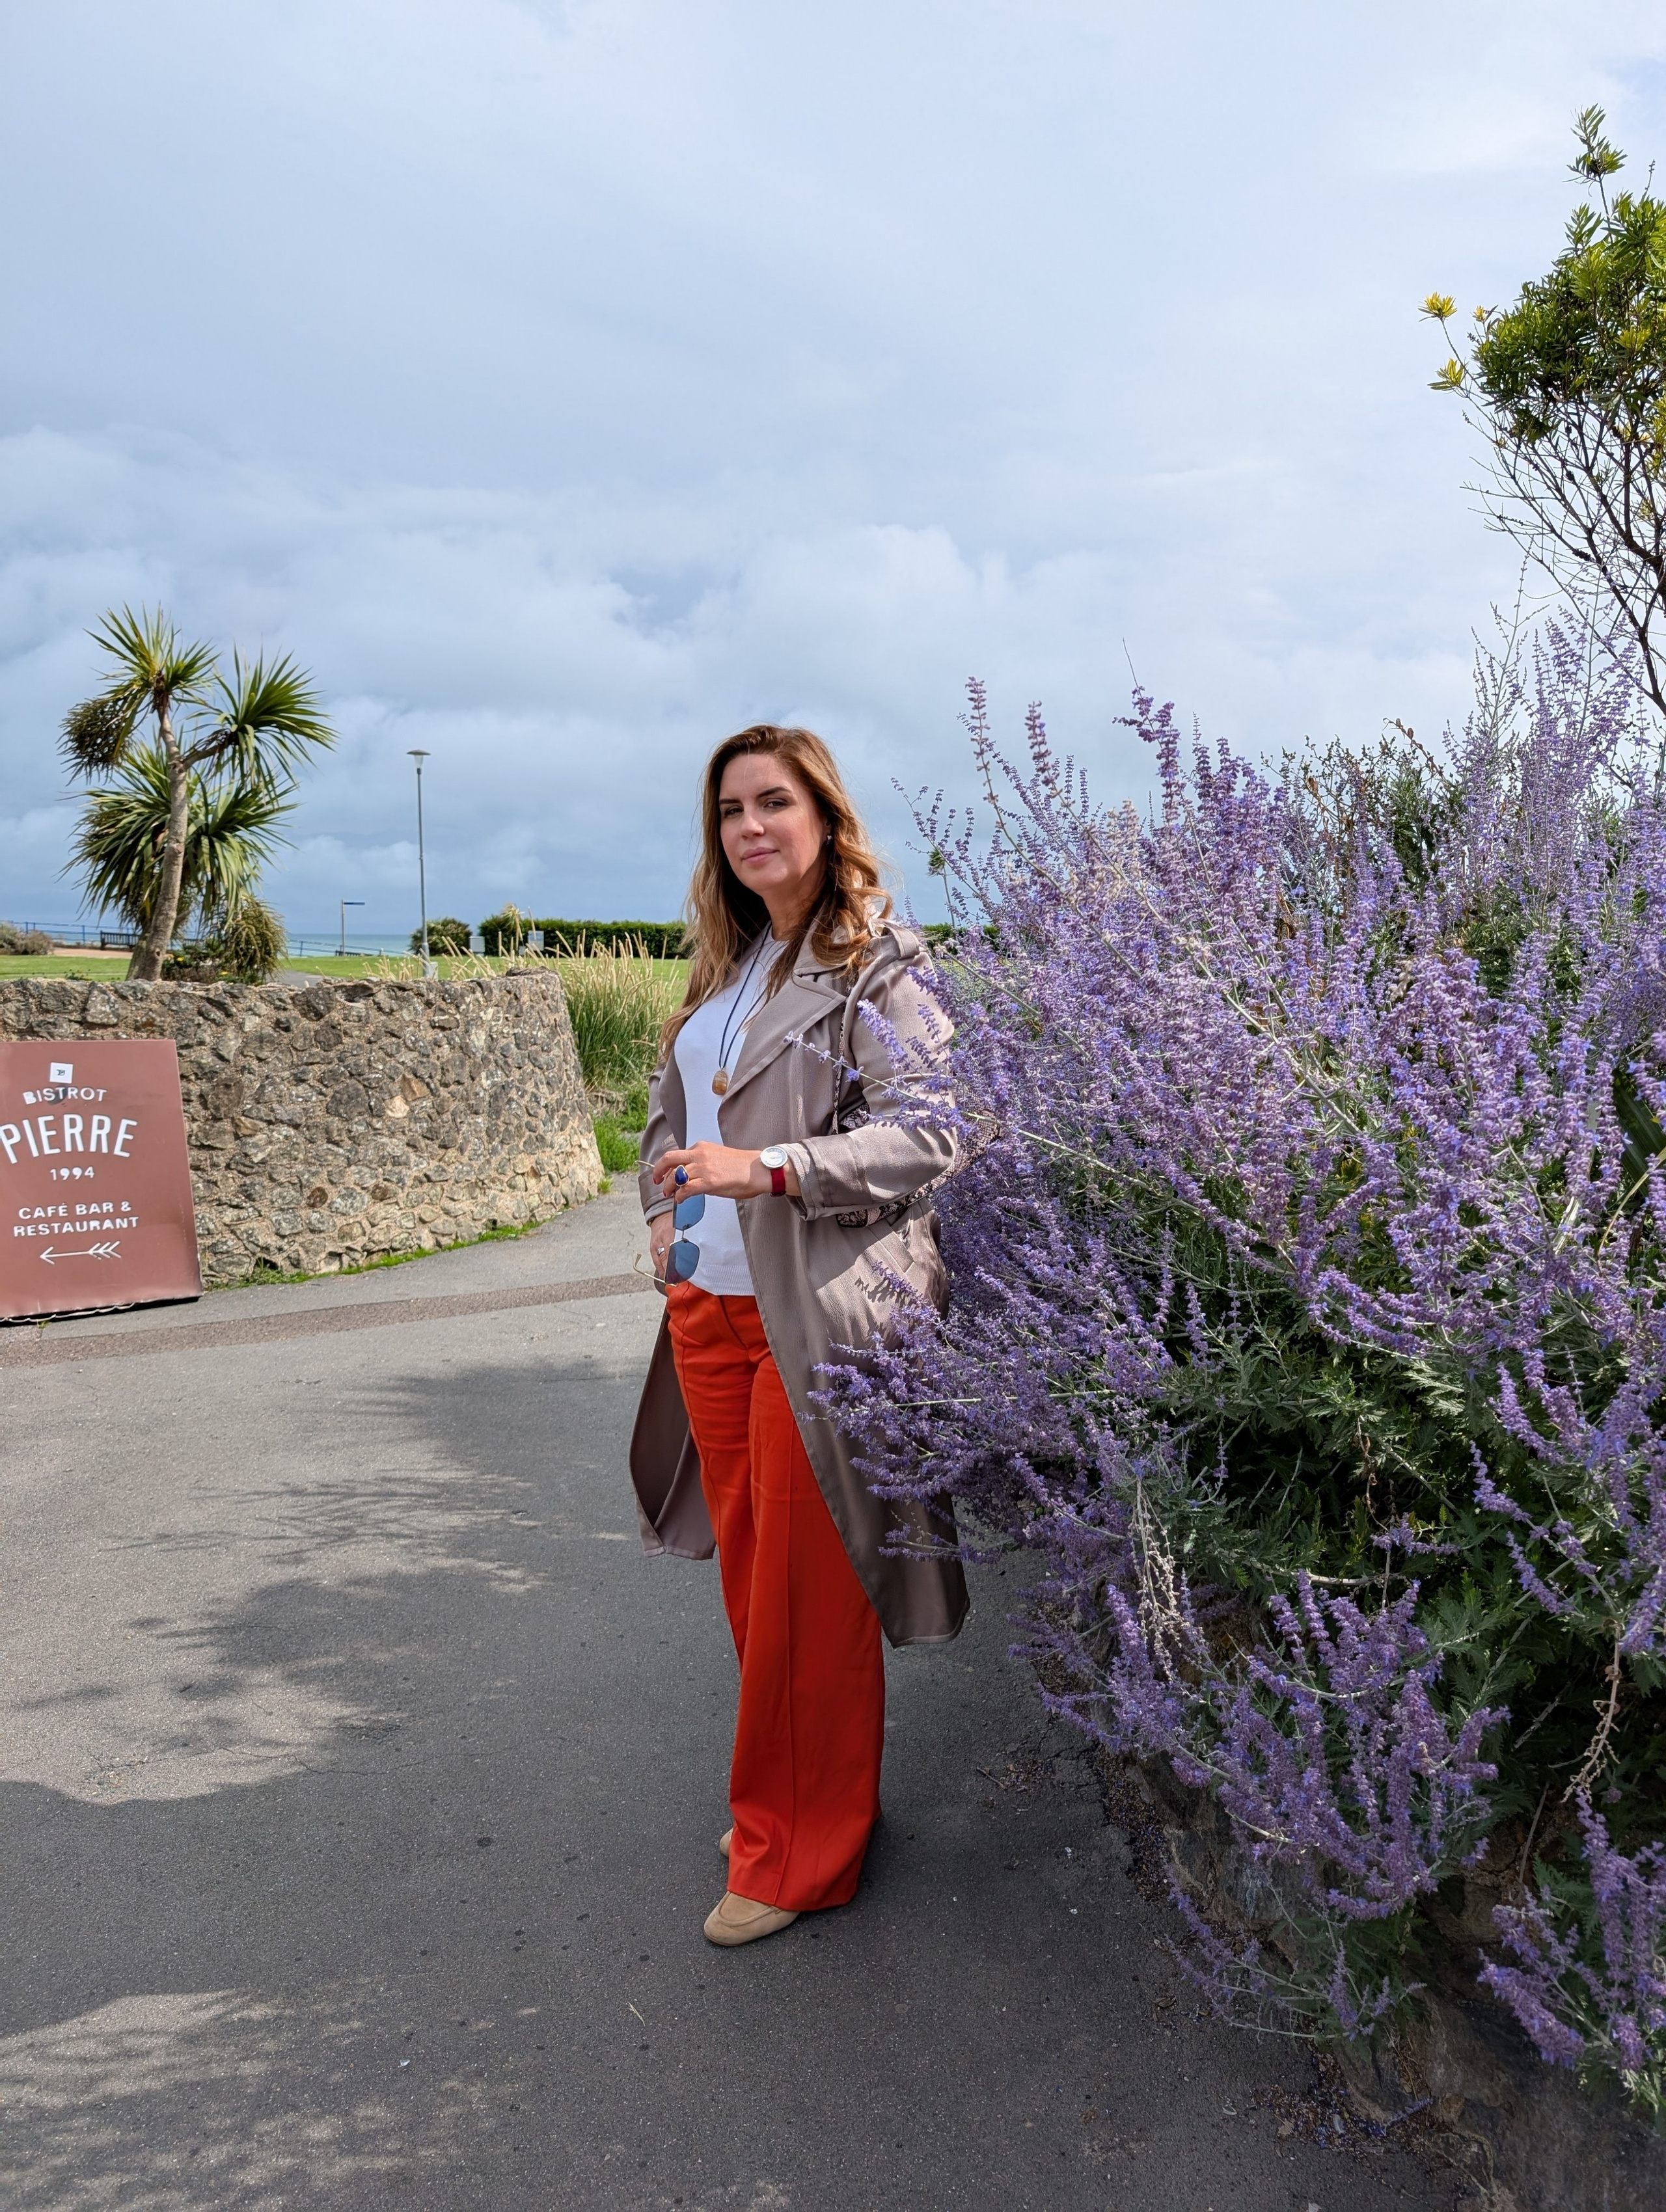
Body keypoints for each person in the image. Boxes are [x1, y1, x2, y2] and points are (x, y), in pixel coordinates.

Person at [629, 722, 968, 1949]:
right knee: (754, 1579)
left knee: (809, 1594)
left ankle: (799, 1852)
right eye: (730, 811)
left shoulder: (878, 964)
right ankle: (801, 1797)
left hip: (815, 1311)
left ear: (825, 817)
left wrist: (770, 1168)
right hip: (709, 1309)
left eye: (775, 802)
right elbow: (674, 1121)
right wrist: (665, 1210)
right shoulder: (729, 963)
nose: (751, 827)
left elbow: (935, 1130)